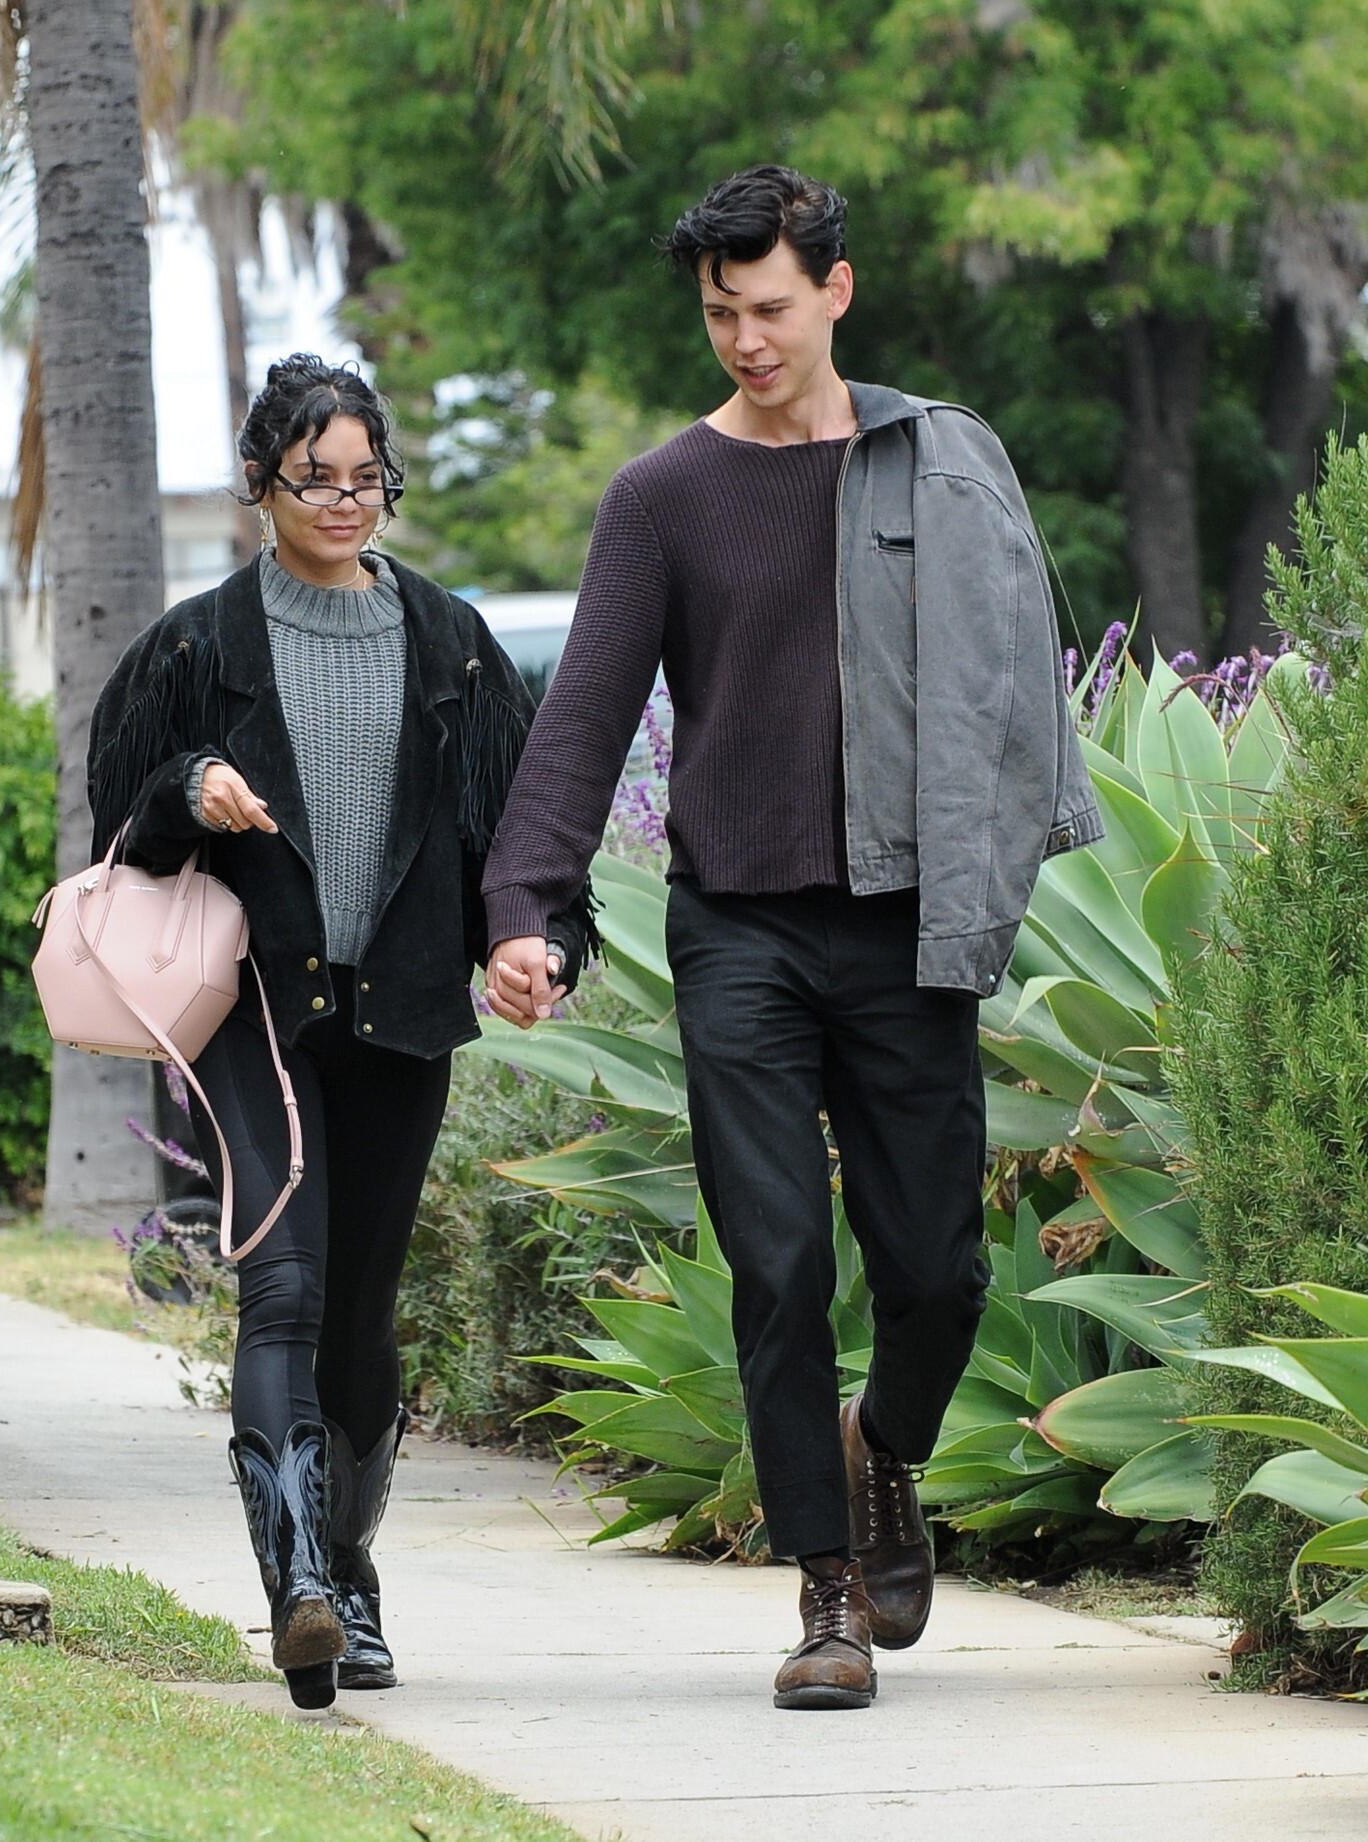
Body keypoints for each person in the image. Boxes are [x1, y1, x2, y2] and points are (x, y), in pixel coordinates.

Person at [482, 166, 1101, 1711]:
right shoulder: (663, 497)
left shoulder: (936, 464)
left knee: (939, 1271)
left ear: (836, 289)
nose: (746, 340)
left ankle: (880, 1443)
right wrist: (525, 911)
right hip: (739, 930)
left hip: (903, 923)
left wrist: (1005, 852)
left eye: (768, 308)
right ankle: (827, 1594)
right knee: (773, 1261)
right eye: (720, 314)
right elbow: (584, 718)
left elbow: (1012, 673)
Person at [87, 355, 592, 1710]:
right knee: (285, 1287)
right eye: (315, 478)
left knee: (360, 1313)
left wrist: (535, 938)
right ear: (263, 483)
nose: (344, 500)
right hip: (257, 1012)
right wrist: (189, 785)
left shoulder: (451, 639)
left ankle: (350, 1574)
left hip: (403, 1013)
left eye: (366, 478)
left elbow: (520, 826)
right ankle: (298, 1583)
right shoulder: (198, 646)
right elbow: (119, 826)